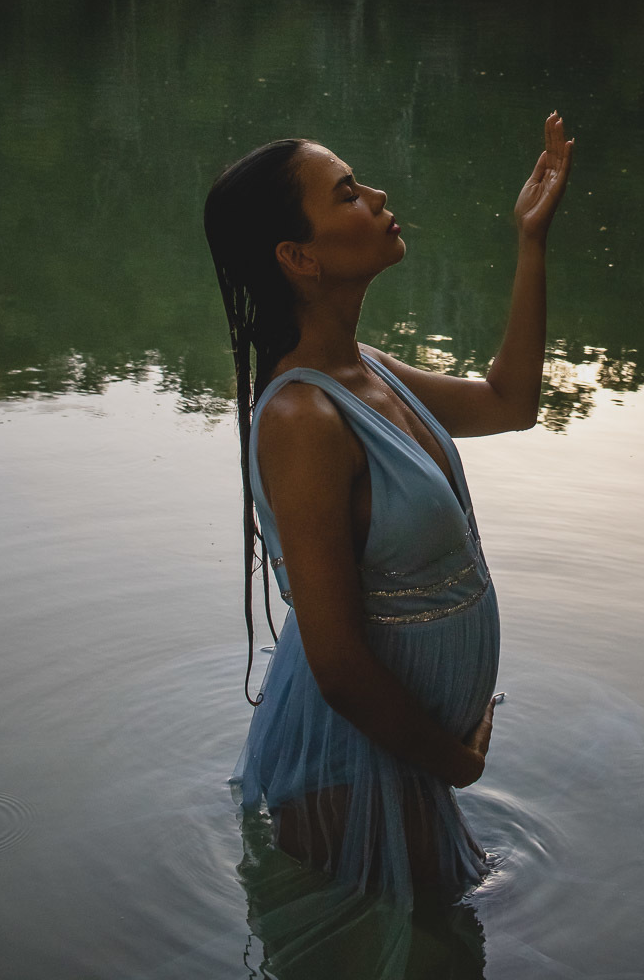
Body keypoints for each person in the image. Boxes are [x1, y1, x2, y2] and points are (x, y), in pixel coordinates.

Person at [203, 114, 573, 967]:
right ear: (298, 256)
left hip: (409, 752)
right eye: (347, 192)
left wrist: (531, 241)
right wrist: (458, 760)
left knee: (433, 951)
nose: (376, 197)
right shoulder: (302, 416)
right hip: (356, 760)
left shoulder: (366, 370)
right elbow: (334, 659)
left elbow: (509, 403)